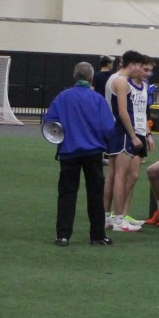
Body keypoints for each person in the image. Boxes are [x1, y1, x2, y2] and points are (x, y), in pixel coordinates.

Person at [43, 60, 116, 247]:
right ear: (91, 77)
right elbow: (108, 127)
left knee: (67, 194)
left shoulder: (63, 97)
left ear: (74, 76)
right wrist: (107, 146)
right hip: (93, 152)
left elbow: (49, 123)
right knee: (95, 194)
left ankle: (63, 236)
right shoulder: (97, 99)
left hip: (69, 152)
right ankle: (97, 236)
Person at [109, 52, 156, 233]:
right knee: (122, 175)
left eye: (150, 70)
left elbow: (143, 111)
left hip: (139, 132)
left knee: (132, 175)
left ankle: (122, 214)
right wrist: (133, 133)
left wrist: (148, 134)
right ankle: (118, 215)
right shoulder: (124, 83)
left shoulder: (144, 86)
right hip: (128, 132)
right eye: (144, 69)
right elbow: (123, 111)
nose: (147, 73)